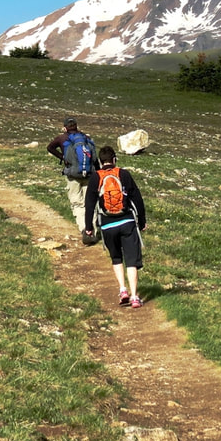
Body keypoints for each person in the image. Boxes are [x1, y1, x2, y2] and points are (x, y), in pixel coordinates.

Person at [84, 145, 147, 308]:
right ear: (114, 160)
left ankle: (122, 290)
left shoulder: (95, 177)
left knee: (116, 258)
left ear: (100, 161)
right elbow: (137, 198)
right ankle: (134, 297)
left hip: (107, 224)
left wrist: (88, 226)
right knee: (131, 261)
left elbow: (89, 203)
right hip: (127, 222)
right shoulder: (123, 174)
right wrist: (142, 221)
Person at [46, 117, 96, 235]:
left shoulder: (62, 138)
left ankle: (84, 228)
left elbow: (50, 147)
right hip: (89, 174)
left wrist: (62, 157)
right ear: (77, 126)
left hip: (73, 175)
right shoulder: (85, 138)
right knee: (89, 202)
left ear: (65, 127)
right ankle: (92, 228)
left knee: (77, 203)